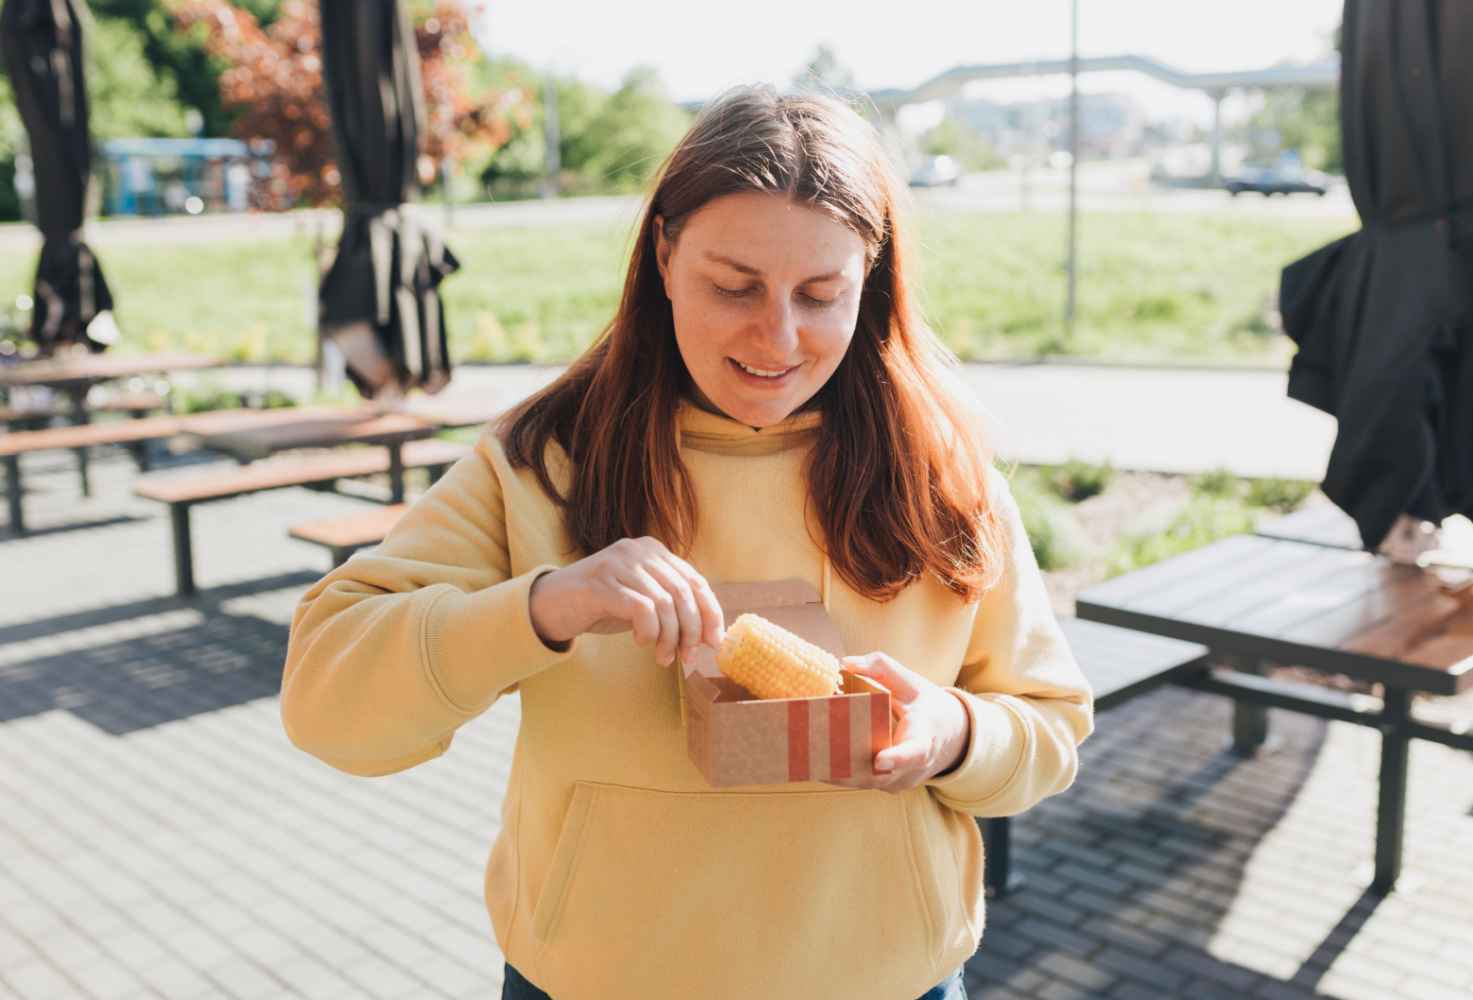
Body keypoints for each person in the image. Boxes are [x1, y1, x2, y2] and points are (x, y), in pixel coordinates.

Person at [281, 85, 1095, 1000]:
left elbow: (1051, 725)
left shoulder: (943, 466)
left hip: (886, 980)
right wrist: (543, 608)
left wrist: (956, 734)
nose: (777, 336)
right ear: (664, 256)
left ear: (872, 278)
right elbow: (325, 704)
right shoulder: (542, 462)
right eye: (733, 286)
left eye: (822, 294)